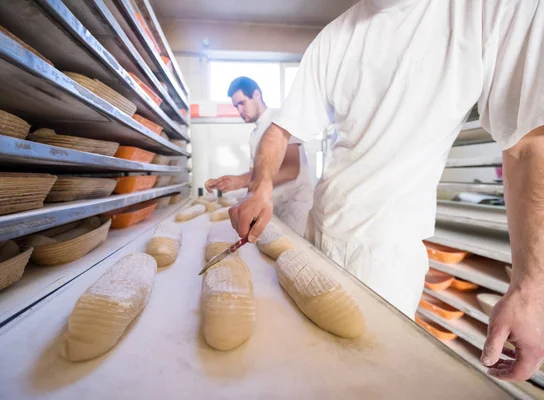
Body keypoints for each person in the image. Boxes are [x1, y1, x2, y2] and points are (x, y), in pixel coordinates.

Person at [229, 0, 544, 382]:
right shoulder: (335, 36)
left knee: (368, 380)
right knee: (308, 372)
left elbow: (528, 143)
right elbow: (280, 131)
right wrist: (260, 186)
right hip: (319, 233)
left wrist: (531, 285)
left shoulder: (487, 9)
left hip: (385, 257)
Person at [205, 77, 313, 235]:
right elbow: (255, 175)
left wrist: (240, 181)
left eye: (242, 103)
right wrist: (229, 182)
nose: (240, 111)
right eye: (236, 106)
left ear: (256, 94)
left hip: (294, 208)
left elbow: (291, 170)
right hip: (273, 207)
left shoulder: (282, 120)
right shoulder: (255, 134)